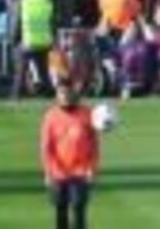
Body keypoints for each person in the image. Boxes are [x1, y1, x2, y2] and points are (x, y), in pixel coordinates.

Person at [40, 78, 99, 229]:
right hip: (58, 172)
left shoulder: (87, 113)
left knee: (79, 208)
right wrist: (47, 173)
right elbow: (46, 147)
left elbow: (94, 144)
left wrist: (92, 168)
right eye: (61, 93)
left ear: (74, 93)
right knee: (61, 210)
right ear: (57, 95)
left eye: (68, 92)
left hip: (81, 171)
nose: (65, 96)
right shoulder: (50, 116)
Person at [13, 0, 57, 98]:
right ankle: (49, 94)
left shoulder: (22, 3)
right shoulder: (47, 3)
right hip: (44, 41)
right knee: (44, 72)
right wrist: (53, 40)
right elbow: (52, 24)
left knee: (21, 71)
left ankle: (17, 94)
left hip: (27, 42)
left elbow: (17, 23)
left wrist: (14, 39)